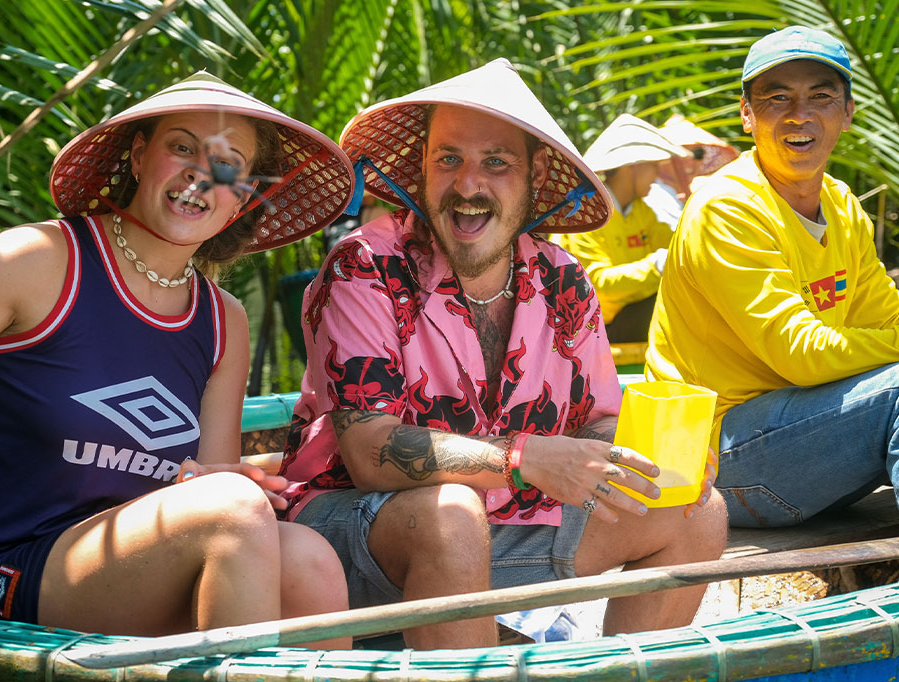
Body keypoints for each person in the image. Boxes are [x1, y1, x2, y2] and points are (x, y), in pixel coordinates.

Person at [0, 72, 356, 642]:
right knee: (231, 510)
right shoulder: (33, 261)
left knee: (309, 557)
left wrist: (226, 480)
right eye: (181, 147)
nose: (199, 177)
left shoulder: (223, 319)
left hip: (144, 566)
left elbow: (206, 480)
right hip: (4, 579)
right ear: (137, 154)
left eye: (228, 165)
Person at [278, 59, 727, 650]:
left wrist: (649, 458)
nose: (468, 186)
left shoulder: (562, 278)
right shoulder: (366, 266)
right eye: (448, 159)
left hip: (504, 527)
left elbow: (597, 416)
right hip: (350, 537)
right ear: (422, 169)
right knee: (451, 515)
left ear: (537, 173)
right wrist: (522, 458)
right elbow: (369, 452)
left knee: (698, 510)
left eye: (496, 161)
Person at [647, 26, 899, 528]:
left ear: (847, 114)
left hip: (794, 433)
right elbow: (801, 356)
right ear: (747, 115)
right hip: (703, 460)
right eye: (776, 97)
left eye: (821, 96)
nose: (799, 115)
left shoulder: (843, 205)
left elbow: (883, 319)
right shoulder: (726, 207)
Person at [557, 114, 689, 342]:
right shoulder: (587, 214)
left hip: (634, 312)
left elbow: (672, 248)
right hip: (595, 327)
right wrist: (655, 267)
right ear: (633, 167)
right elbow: (596, 284)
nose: (657, 176)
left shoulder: (641, 211)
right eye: (654, 167)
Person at [643, 114, 739, 229]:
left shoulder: (693, 195)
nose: (690, 160)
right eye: (682, 153)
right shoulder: (655, 193)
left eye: (698, 154)